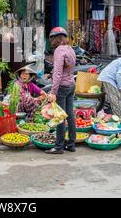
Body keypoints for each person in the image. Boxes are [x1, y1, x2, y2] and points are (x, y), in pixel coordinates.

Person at [45, 27, 77, 155]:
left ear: (54, 39)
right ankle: (71, 144)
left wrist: (53, 91)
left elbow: (58, 73)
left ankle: (59, 147)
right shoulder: (70, 48)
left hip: (62, 87)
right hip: (71, 84)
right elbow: (66, 68)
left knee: (59, 117)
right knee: (69, 115)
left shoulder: (58, 50)